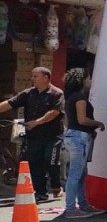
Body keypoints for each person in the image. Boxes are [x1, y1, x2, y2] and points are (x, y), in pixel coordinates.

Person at [0, 66, 65, 202]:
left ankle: (56, 187)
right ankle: (40, 192)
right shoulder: (28, 93)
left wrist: (36, 122)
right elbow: (10, 103)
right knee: (35, 164)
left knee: (51, 160)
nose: (32, 79)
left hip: (52, 136)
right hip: (34, 137)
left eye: (35, 76)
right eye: (32, 76)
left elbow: (54, 112)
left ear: (46, 78)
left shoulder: (56, 93)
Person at [60, 68, 104, 218]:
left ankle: (83, 205)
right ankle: (71, 208)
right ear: (82, 80)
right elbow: (82, 119)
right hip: (79, 137)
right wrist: (98, 123)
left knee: (80, 173)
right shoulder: (80, 98)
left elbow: (68, 120)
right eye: (89, 78)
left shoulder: (70, 97)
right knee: (75, 174)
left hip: (73, 135)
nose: (90, 81)